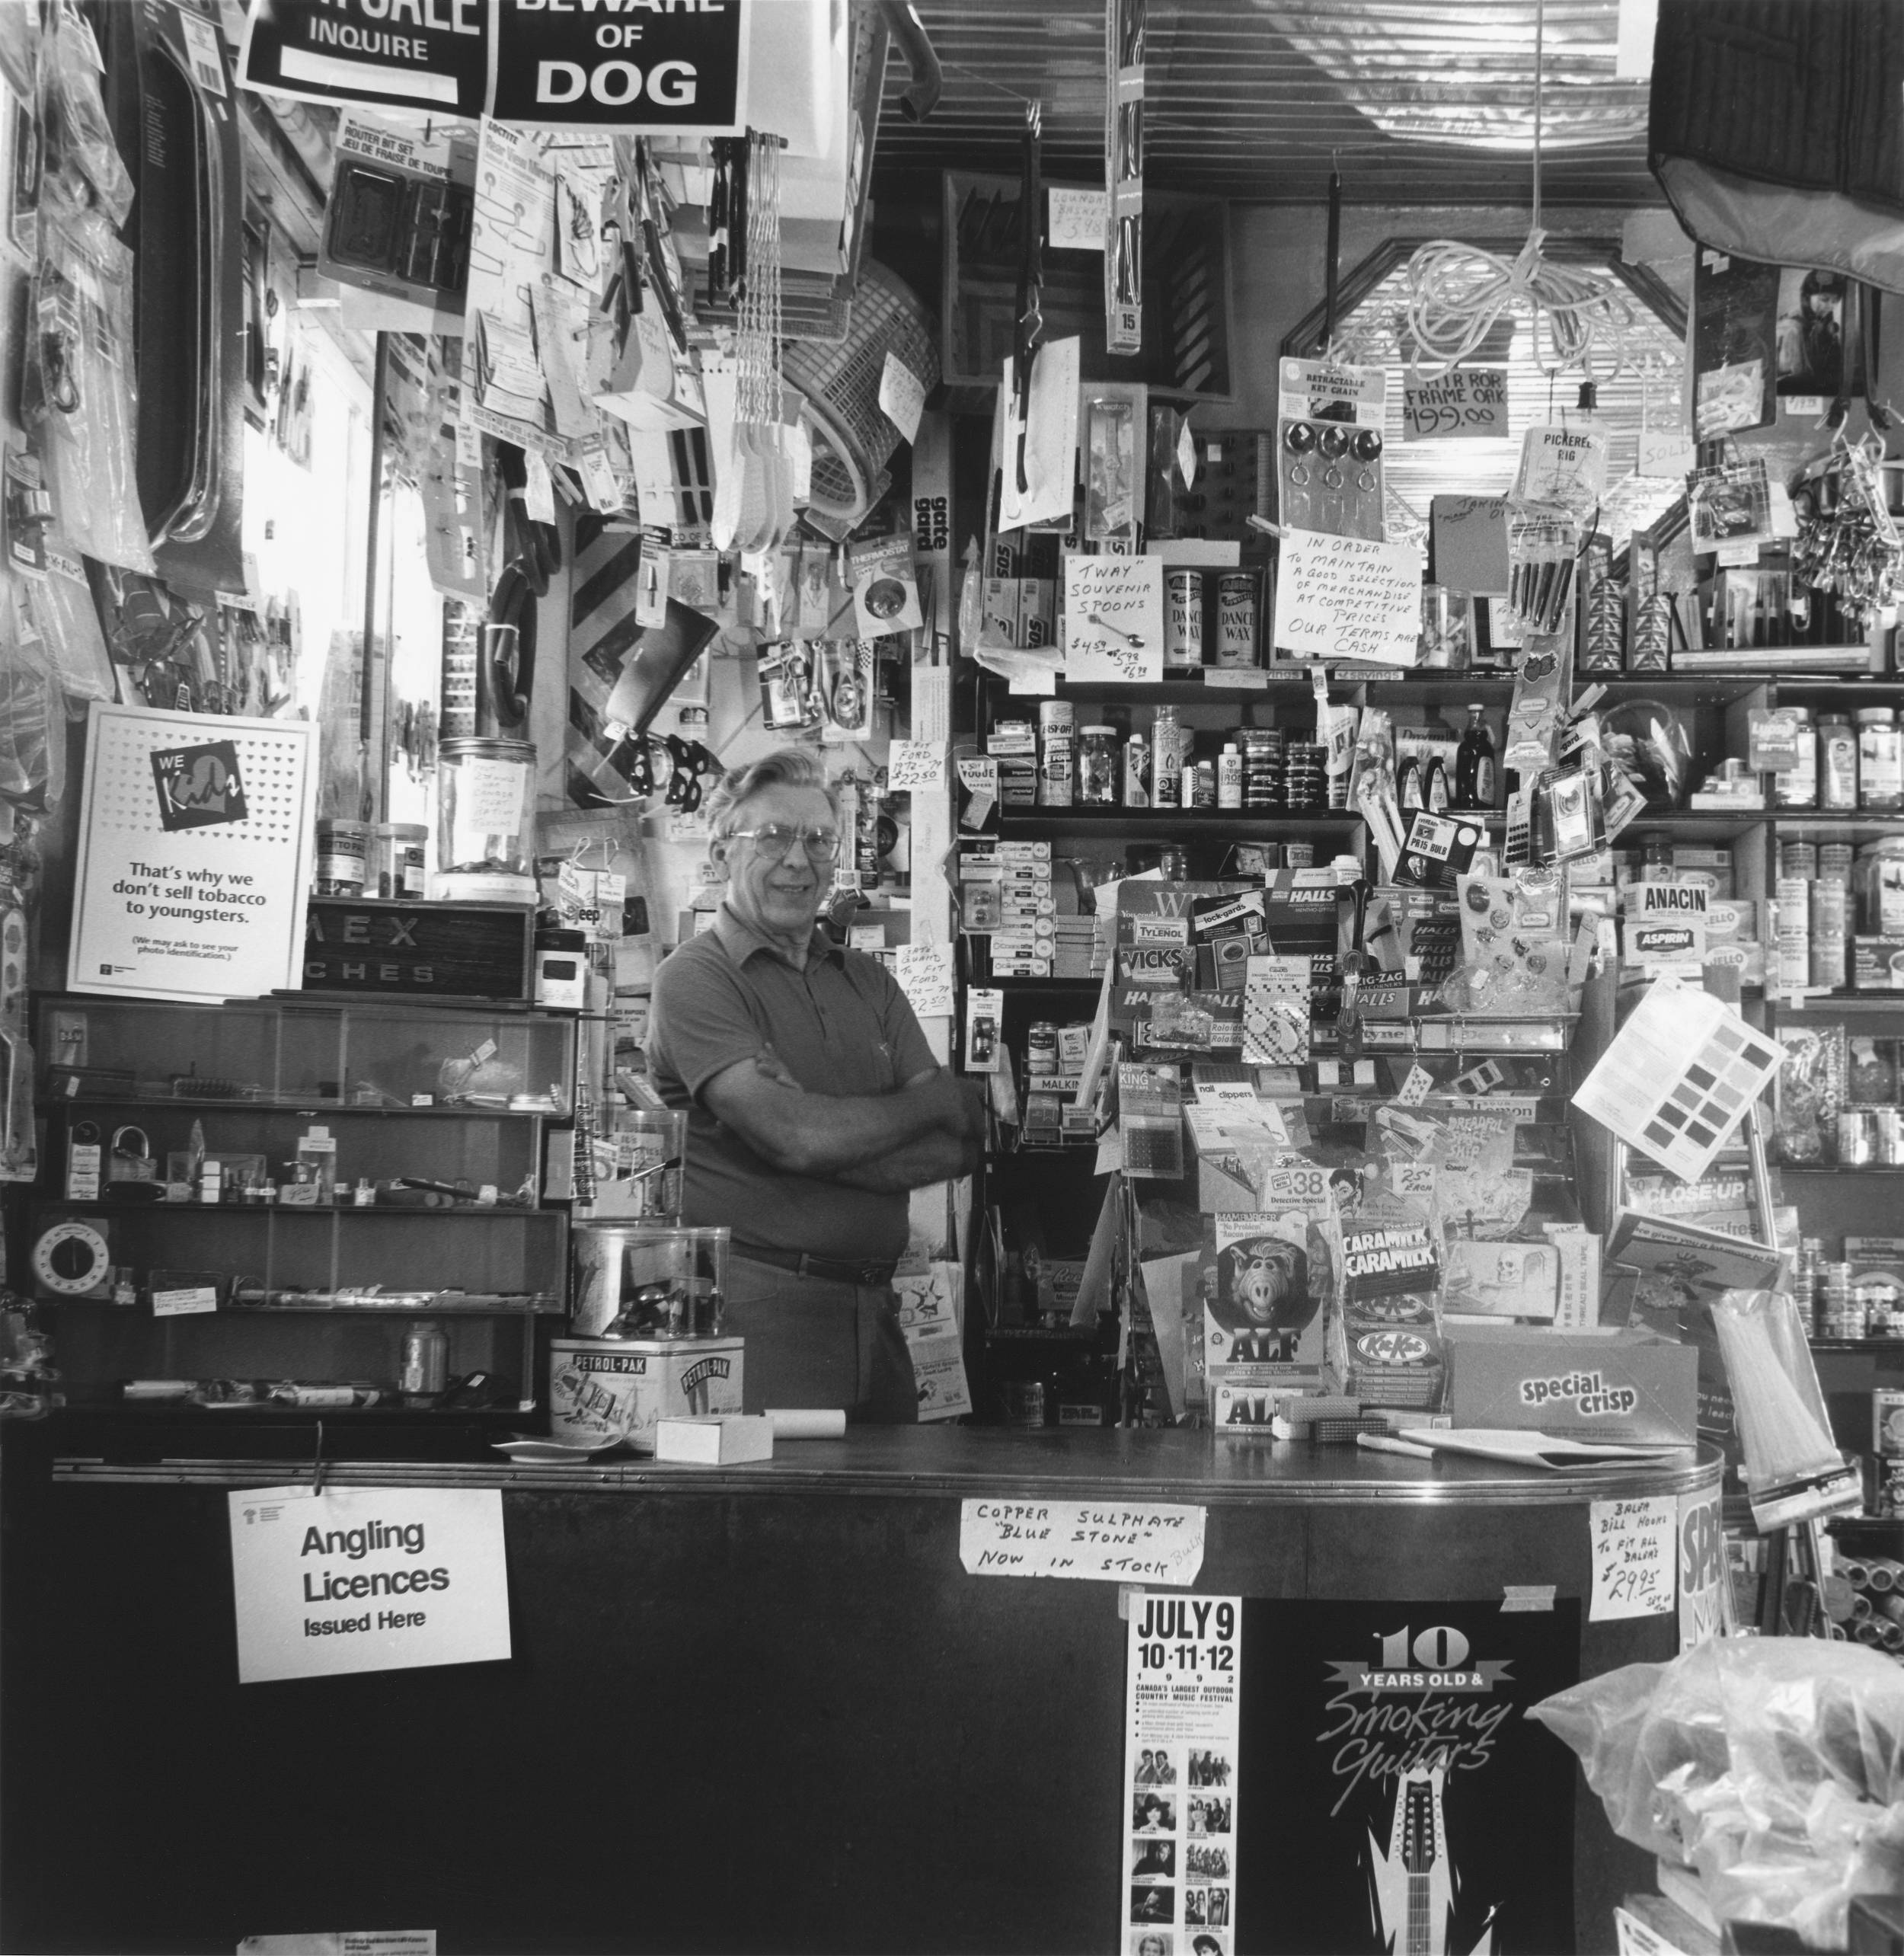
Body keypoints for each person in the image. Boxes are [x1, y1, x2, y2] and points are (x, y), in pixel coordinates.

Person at [647, 749, 983, 1420]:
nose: (799, 861)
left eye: (819, 840)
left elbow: (958, 1149)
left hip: (878, 1311)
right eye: (772, 837)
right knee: (779, 1521)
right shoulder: (695, 978)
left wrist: (809, 1139)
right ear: (719, 854)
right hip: (760, 1310)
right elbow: (798, 1137)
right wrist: (929, 1098)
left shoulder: (869, 981)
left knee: (892, 1521)